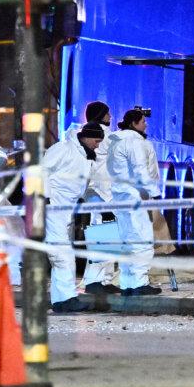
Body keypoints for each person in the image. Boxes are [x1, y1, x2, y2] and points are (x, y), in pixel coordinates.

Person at [41, 120, 105, 313]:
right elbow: (41, 170)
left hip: (65, 210)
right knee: (62, 254)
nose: (97, 145)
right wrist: (44, 197)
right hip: (54, 208)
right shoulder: (63, 149)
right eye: (96, 141)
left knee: (62, 254)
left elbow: (84, 185)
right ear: (87, 137)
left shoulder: (85, 156)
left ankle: (61, 300)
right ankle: (67, 298)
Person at [105, 108, 162, 296]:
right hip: (136, 197)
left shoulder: (116, 141)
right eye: (143, 121)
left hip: (120, 196)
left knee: (127, 242)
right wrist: (155, 193)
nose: (146, 124)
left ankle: (127, 284)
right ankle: (139, 283)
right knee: (142, 240)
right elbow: (140, 170)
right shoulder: (134, 141)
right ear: (134, 123)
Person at [69, 101, 119, 295]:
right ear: (100, 114)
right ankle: (96, 281)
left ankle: (102, 280)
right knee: (103, 235)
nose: (110, 117)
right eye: (107, 113)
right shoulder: (102, 133)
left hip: (95, 191)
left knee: (104, 234)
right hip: (103, 192)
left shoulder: (88, 132)